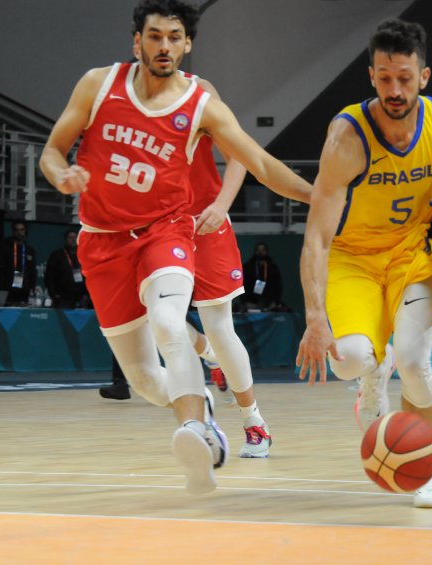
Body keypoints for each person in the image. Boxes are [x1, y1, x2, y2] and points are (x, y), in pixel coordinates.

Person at [39, 0, 311, 493]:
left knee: (171, 320)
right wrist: (61, 175)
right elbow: (53, 149)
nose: (164, 45)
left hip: (168, 230)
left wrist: (323, 198)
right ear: (137, 41)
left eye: (174, 37)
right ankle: (200, 402)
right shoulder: (98, 85)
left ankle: (200, 428)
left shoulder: (202, 103)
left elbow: (260, 163)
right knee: (142, 379)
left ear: (187, 44)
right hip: (101, 240)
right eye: (155, 36)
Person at [297, 19, 432, 509]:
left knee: (416, 364)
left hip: (412, 257)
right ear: (372, 76)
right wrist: (314, 316)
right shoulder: (347, 137)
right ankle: (372, 375)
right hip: (352, 258)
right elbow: (317, 235)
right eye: (385, 77)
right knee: (348, 359)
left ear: (425, 76)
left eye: (405, 78)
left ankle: (430, 467)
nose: (396, 89)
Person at [44, 229, 89, 309]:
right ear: (65, 240)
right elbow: (49, 276)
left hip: (81, 298)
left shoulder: (83, 255)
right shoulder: (57, 255)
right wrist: (54, 295)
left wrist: (87, 294)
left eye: (75, 237)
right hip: (63, 298)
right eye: (70, 237)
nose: (73, 240)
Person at [0, 220, 38, 306]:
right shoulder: (6, 248)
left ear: (25, 231)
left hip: (25, 289)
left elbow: (32, 270)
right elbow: (2, 269)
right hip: (9, 289)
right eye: (17, 230)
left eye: (22, 230)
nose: (19, 232)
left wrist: (32, 286)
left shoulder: (29, 250)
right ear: (13, 231)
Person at [242, 242, 283, 311]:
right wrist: (244, 301)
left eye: (263, 250)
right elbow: (243, 284)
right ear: (255, 252)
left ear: (266, 252)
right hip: (251, 302)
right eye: (258, 250)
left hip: (269, 302)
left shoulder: (272, 267)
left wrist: (276, 302)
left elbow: (278, 285)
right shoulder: (247, 267)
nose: (260, 252)